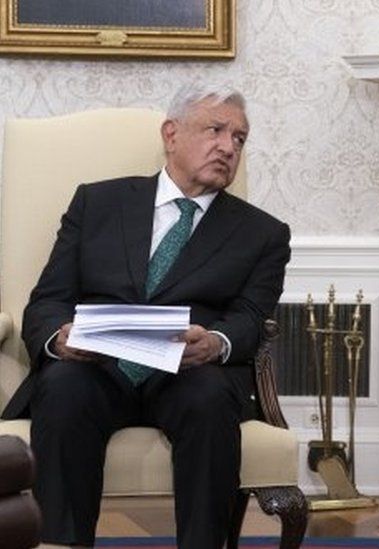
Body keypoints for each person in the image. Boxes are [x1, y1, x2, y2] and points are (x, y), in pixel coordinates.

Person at [0, 84, 292, 548]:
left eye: (239, 139)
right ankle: (61, 545)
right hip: (98, 366)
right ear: (171, 134)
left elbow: (252, 317)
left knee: (210, 398)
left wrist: (216, 343)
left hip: (189, 371)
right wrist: (60, 339)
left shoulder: (263, 234)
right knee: (61, 386)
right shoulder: (96, 203)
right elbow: (48, 299)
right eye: (215, 129)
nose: (227, 147)